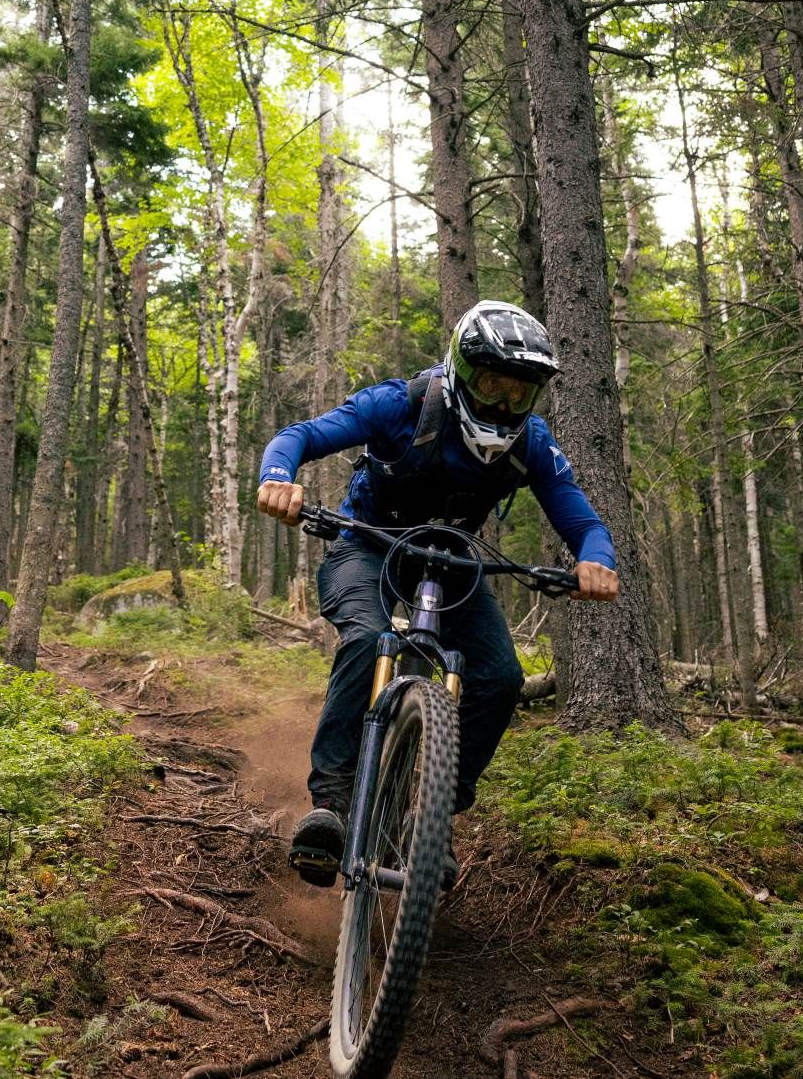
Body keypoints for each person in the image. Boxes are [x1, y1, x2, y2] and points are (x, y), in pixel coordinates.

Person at [256, 300, 619, 887]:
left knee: (499, 679)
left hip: (450, 560)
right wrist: (278, 480)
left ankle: (429, 817)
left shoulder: (533, 444)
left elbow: (585, 524)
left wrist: (595, 563)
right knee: (369, 639)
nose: (503, 404)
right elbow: (299, 436)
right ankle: (332, 803)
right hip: (367, 546)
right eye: (491, 385)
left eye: (519, 394)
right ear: (459, 370)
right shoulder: (400, 404)